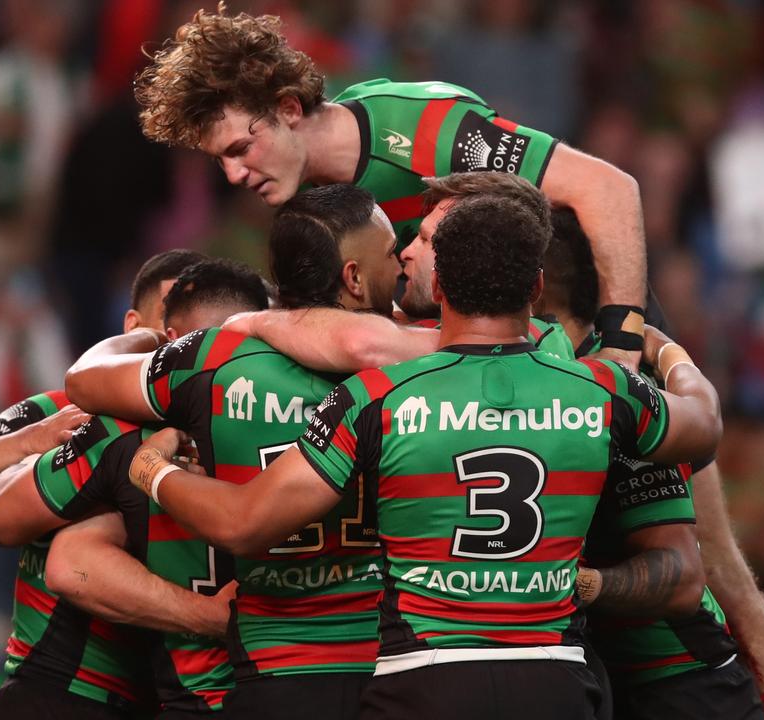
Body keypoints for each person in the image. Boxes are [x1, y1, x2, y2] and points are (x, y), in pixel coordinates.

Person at [126, 194, 722, 720]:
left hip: (423, 678)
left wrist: (154, 474)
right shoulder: (597, 386)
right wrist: (671, 355)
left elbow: (247, 522)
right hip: (555, 673)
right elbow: (704, 425)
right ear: (535, 288)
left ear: (438, 289)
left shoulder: (376, 396)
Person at [135, 5, 649, 363]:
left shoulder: (426, 132)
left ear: (289, 108)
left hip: (590, 338)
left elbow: (610, 189)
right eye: (219, 162)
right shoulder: (314, 201)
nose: (233, 176)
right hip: (508, 361)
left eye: (240, 150)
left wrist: (621, 345)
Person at [62, 185, 402, 720]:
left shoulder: (214, 355)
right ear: (354, 278)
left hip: (270, 671)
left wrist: (144, 338)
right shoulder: (414, 365)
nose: (402, 262)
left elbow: (83, 380)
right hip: (386, 665)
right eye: (391, 253)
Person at [0, 249, 229, 719]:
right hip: (55, 698)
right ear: (133, 327)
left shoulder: (227, 435)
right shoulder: (61, 414)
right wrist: (29, 441)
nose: (186, 342)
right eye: (172, 320)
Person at [548, 212, 764, 719]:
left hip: (678, 681)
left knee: (726, 571)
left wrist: (582, 585)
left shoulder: (613, 392)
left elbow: (691, 576)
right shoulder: (532, 369)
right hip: (594, 675)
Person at [0, 258, 271, 718]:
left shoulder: (123, 435)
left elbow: (10, 528)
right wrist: (27, 440)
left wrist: (150, 467)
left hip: (169, 699)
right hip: (88, 696)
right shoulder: (324, 414)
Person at [223, 172, 575, 368]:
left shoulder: (540, 342)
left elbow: (362, 343)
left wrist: (257, 321)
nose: (406, 253)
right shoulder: (398, 321)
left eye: (424, 240)